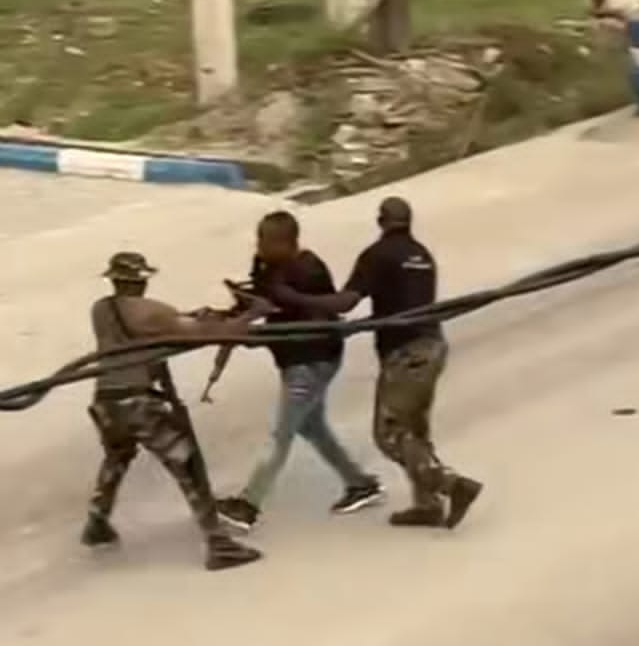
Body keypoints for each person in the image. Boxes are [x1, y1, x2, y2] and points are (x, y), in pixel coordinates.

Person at [267, 198, 483, 528]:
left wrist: (293, 298)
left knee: (390, 434)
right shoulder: (422, 255)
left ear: (381, 221)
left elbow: (345, 301)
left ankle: (451, 485)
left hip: (405, 352)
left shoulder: (377, 255)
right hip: (433, 345)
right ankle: (427, 506)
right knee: (415, 431)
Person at [82, 251, 262, 571]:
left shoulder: (101, 309)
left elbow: (162, 328)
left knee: (117, 456)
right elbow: (204, 332)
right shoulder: (152, 311)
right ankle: (218, 543)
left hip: (106, 402)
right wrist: (249, 315)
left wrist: (196, 317)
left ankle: (97, 521)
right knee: (188, 464)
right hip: (137, 402)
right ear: (141, 281)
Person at [218, 211, 381, 531]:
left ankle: (249, 504)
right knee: (312, 427)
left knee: (282, 434)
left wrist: (260, 327)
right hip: (295, 359)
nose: (259, 246)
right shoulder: (269, 266)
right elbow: (265, 302)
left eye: (266, 240)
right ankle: (360, 484)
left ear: (286, 242)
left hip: (311, 361)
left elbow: (315, 320)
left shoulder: (308, 270)